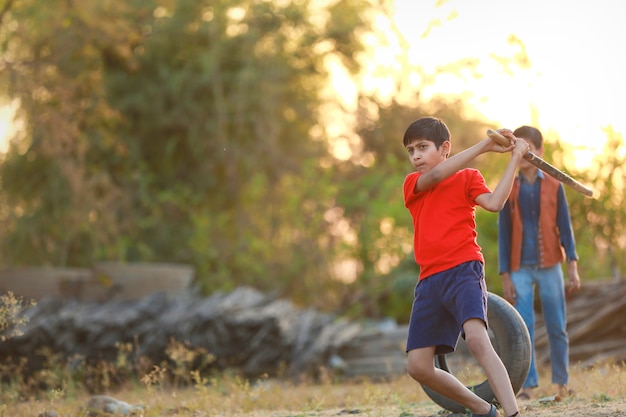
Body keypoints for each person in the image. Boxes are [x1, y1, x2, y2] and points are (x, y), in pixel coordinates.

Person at [402, 116, 529, 417]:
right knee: (418, 366)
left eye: (422, 147)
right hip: (429, 280)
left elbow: (496, 203)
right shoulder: (414, 184)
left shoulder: (468, 177)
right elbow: (435, 177)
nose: (416, 155)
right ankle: (483, 409)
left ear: (445, 148)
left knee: (476, 339)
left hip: (464, 269)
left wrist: (515, 159)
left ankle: (512, 413)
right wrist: (485, 145)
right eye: (410, 150)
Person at [497, 125, 581, 400]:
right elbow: (504, 233)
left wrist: (573, 266)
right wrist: (505, 275)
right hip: (519, 267)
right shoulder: (509, 185)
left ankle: (561, 384)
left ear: (539, 151)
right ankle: (528, 386)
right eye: (517, 149)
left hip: (550, 265)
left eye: (527, 148)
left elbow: (565, 228)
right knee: (523, 328)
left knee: (557, 325)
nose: (521, 154)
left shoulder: (555, 185)